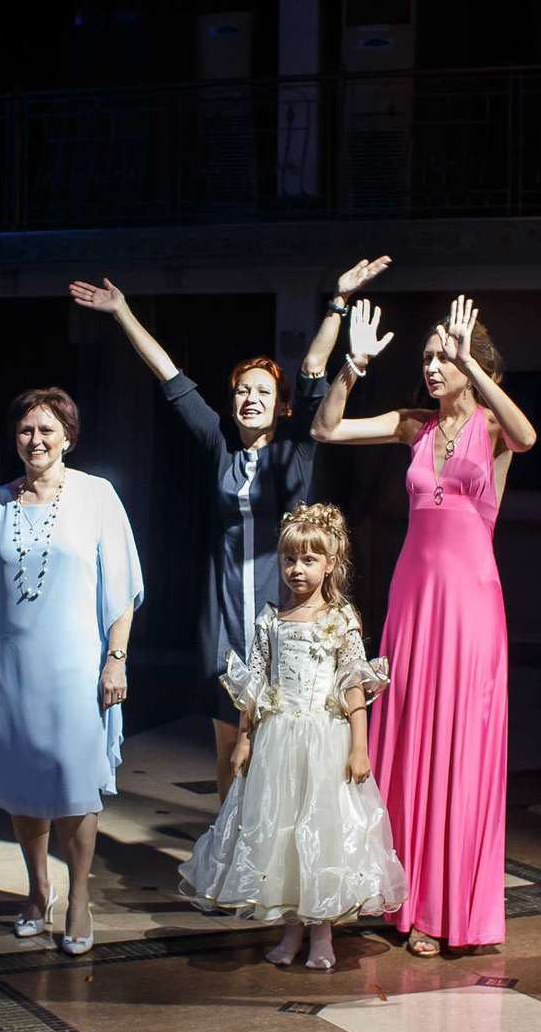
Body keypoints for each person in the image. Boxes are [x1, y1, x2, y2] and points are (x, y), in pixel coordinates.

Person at [69, 257, 390, 799]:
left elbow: (313, 367)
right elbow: (169, 375)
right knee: (226, 744)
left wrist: (336, 303)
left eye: (264, 391)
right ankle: (230, 848)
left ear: (282, 405)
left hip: (283, 617)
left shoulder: (297, 449)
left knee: (281, 741)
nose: (251, 398)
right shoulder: (219, 446)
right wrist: (122, 311)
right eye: (243, 390)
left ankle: (278, 855)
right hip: (223, 617)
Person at [313, 295, 539, 958]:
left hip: (470, 606)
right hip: (413, 598)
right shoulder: (413, 425)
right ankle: (403, 898)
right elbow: (328, 429)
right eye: (429, 357)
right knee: (408, 743)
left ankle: (446, 911)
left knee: (458, 747)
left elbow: (528, 436)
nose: (434, 366)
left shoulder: (493, 429)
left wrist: (474, 362)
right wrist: (351, 367)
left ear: (471, 364)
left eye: (446, 356)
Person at [179, 504, 407, 970]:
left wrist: (360, 747)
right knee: (281, 837)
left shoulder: (339, 620)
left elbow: (352, 687)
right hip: (278, 742)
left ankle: (322, 935)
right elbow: (256, 688)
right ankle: (290, 932)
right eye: (289, 560)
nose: (297, 569)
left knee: (318, 835)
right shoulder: (271, 622)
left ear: (331, 564)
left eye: (309, 560)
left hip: (325, 741)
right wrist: (244, 739)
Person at [0, 388, 143, 956]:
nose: (35, 441)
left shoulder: (97, 496)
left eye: (47, 430)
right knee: (22, 785)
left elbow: (123, 591)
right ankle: (38, 890)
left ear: (68, 436)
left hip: (77, 668)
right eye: (25, 431)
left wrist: (117, 659)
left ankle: (79, 893)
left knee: (75, 784)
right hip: (8, 667)